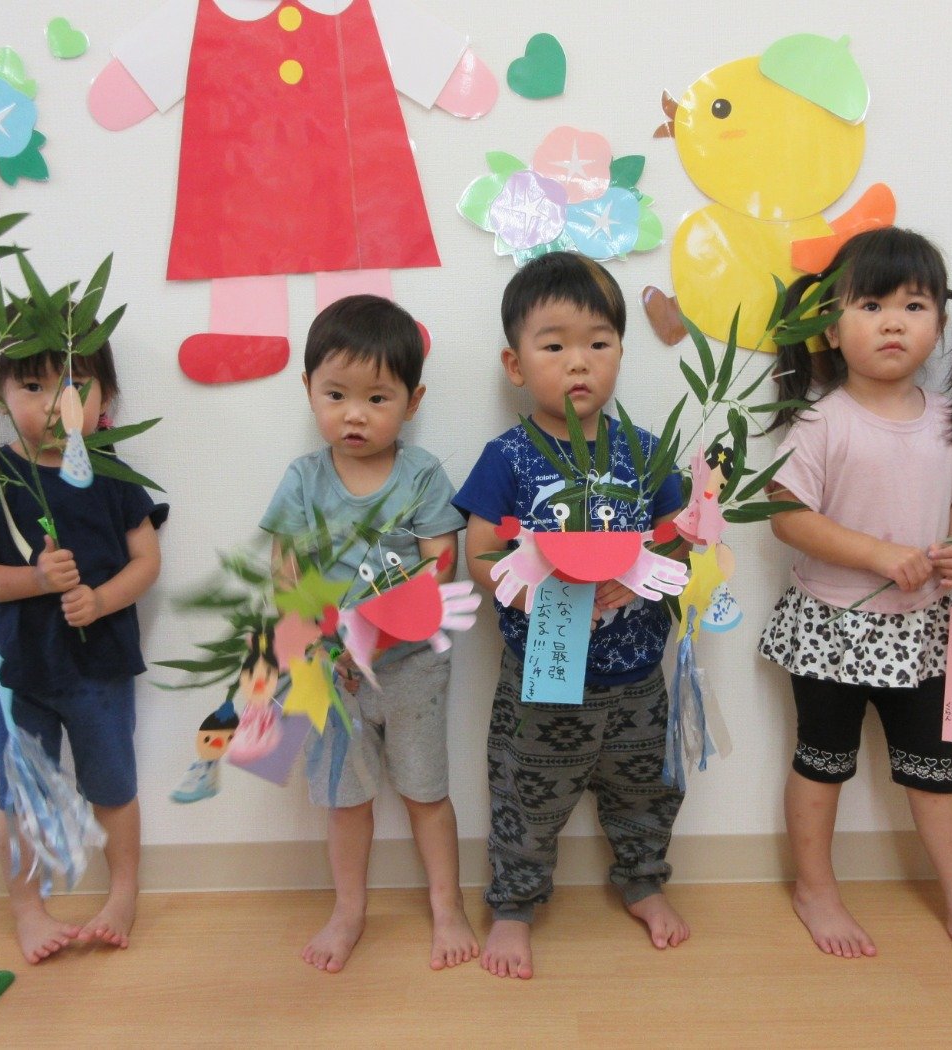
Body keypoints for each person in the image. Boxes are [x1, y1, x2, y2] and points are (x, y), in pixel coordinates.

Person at [760, 226, 952, 988]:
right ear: (830, 327)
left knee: (935, 772)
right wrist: (878, 554)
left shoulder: (948, 419)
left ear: (940, 323)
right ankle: (816, 890)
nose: (893, 323)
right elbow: (785, 517)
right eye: (871, 305)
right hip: (831, 627)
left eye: (913, 306)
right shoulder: (821, 420)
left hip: (925, 632)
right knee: (822, 762)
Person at [455, 252, 688, 980]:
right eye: (554, 345)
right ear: (515, 365)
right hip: (543, 675)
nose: (578, 362)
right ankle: (514, 906)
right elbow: (480, 551)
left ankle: (644, 881)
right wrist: (534, 590)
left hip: (638, 673)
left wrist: (642, 576)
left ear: (620, 351)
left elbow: (682, 534)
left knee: (646, 788)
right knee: (527, 794)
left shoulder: (646, 452)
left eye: (598, 342)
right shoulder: (508, 456)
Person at [260, 294, 475, 973]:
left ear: (412, 401)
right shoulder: (304, 479)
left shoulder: (423, 474)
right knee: (345, 801)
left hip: (411, 666)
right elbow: (286, 571)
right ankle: (348, 911)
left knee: (425, 792)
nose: (355, 414)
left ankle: (447, 907)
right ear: (308, 390)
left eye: (377, 398)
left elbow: (442, 563)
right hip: (332, 670)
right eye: (336, 395)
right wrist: (317, 639)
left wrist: (381, 628)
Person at [0, 327, 166, 964]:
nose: (52, 404)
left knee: (113, 785)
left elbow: (146, 562)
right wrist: (37, 581)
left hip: (98, 663)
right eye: (32, 385)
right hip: (17, 665)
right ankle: (27, 908)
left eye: (73, 384)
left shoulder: (112, 472)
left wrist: (100, 600)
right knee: (22, 795)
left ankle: (122, 894)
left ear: (106, 395)